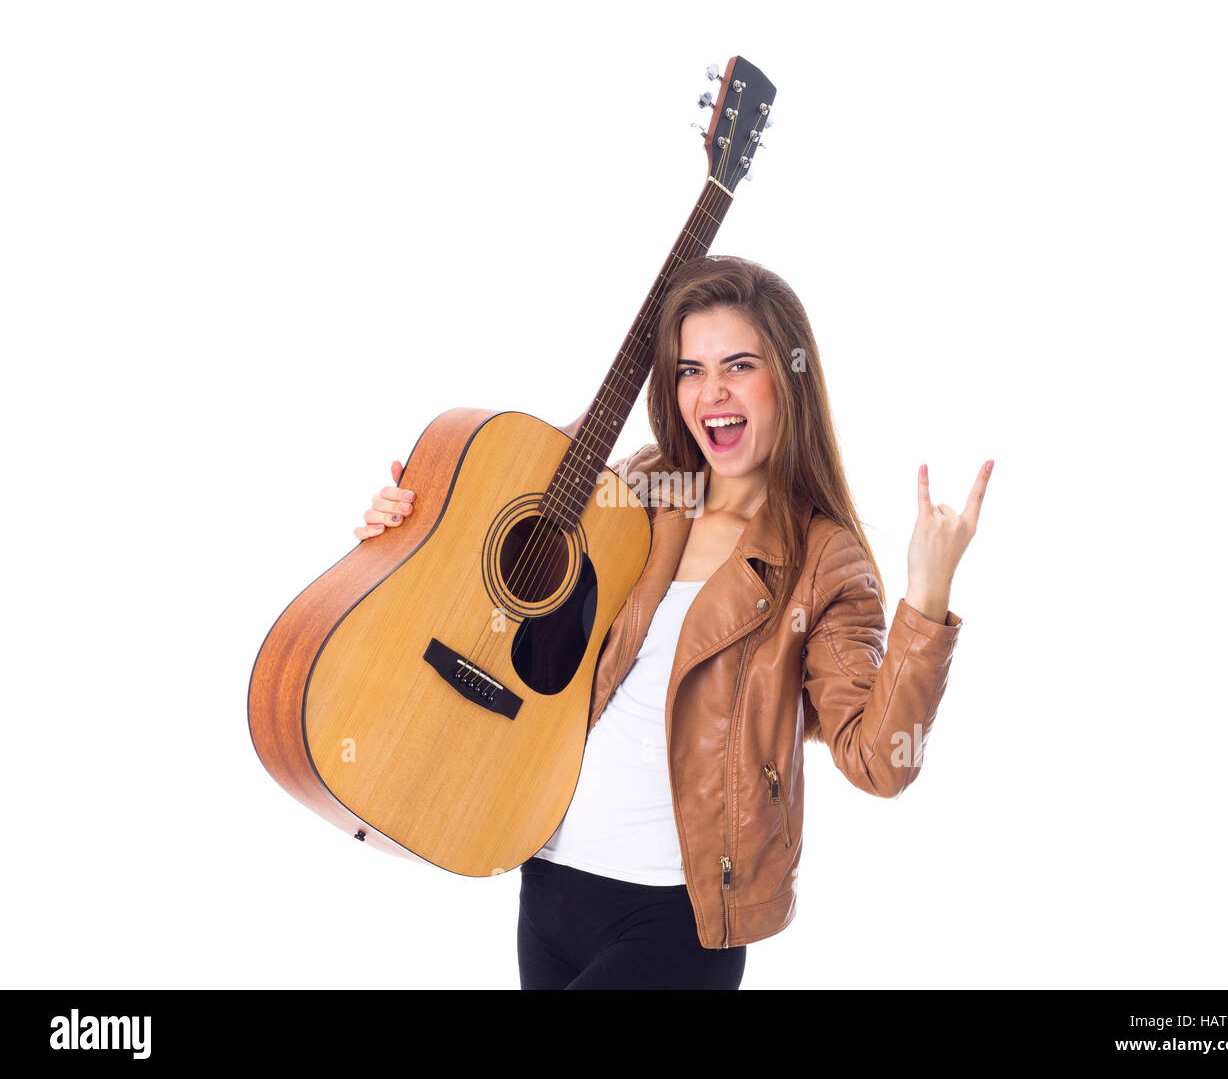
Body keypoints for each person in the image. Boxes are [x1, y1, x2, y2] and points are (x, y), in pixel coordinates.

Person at [354, 255, 992, 990]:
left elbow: (879, 760)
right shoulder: (646, 487)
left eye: (739, 365)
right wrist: (412, 517)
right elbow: (502, 581)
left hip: (674, 920)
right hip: (549, 883)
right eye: (690, 369)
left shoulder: (822, 556)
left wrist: (928, 596)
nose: (712, 392)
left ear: (788, 378)